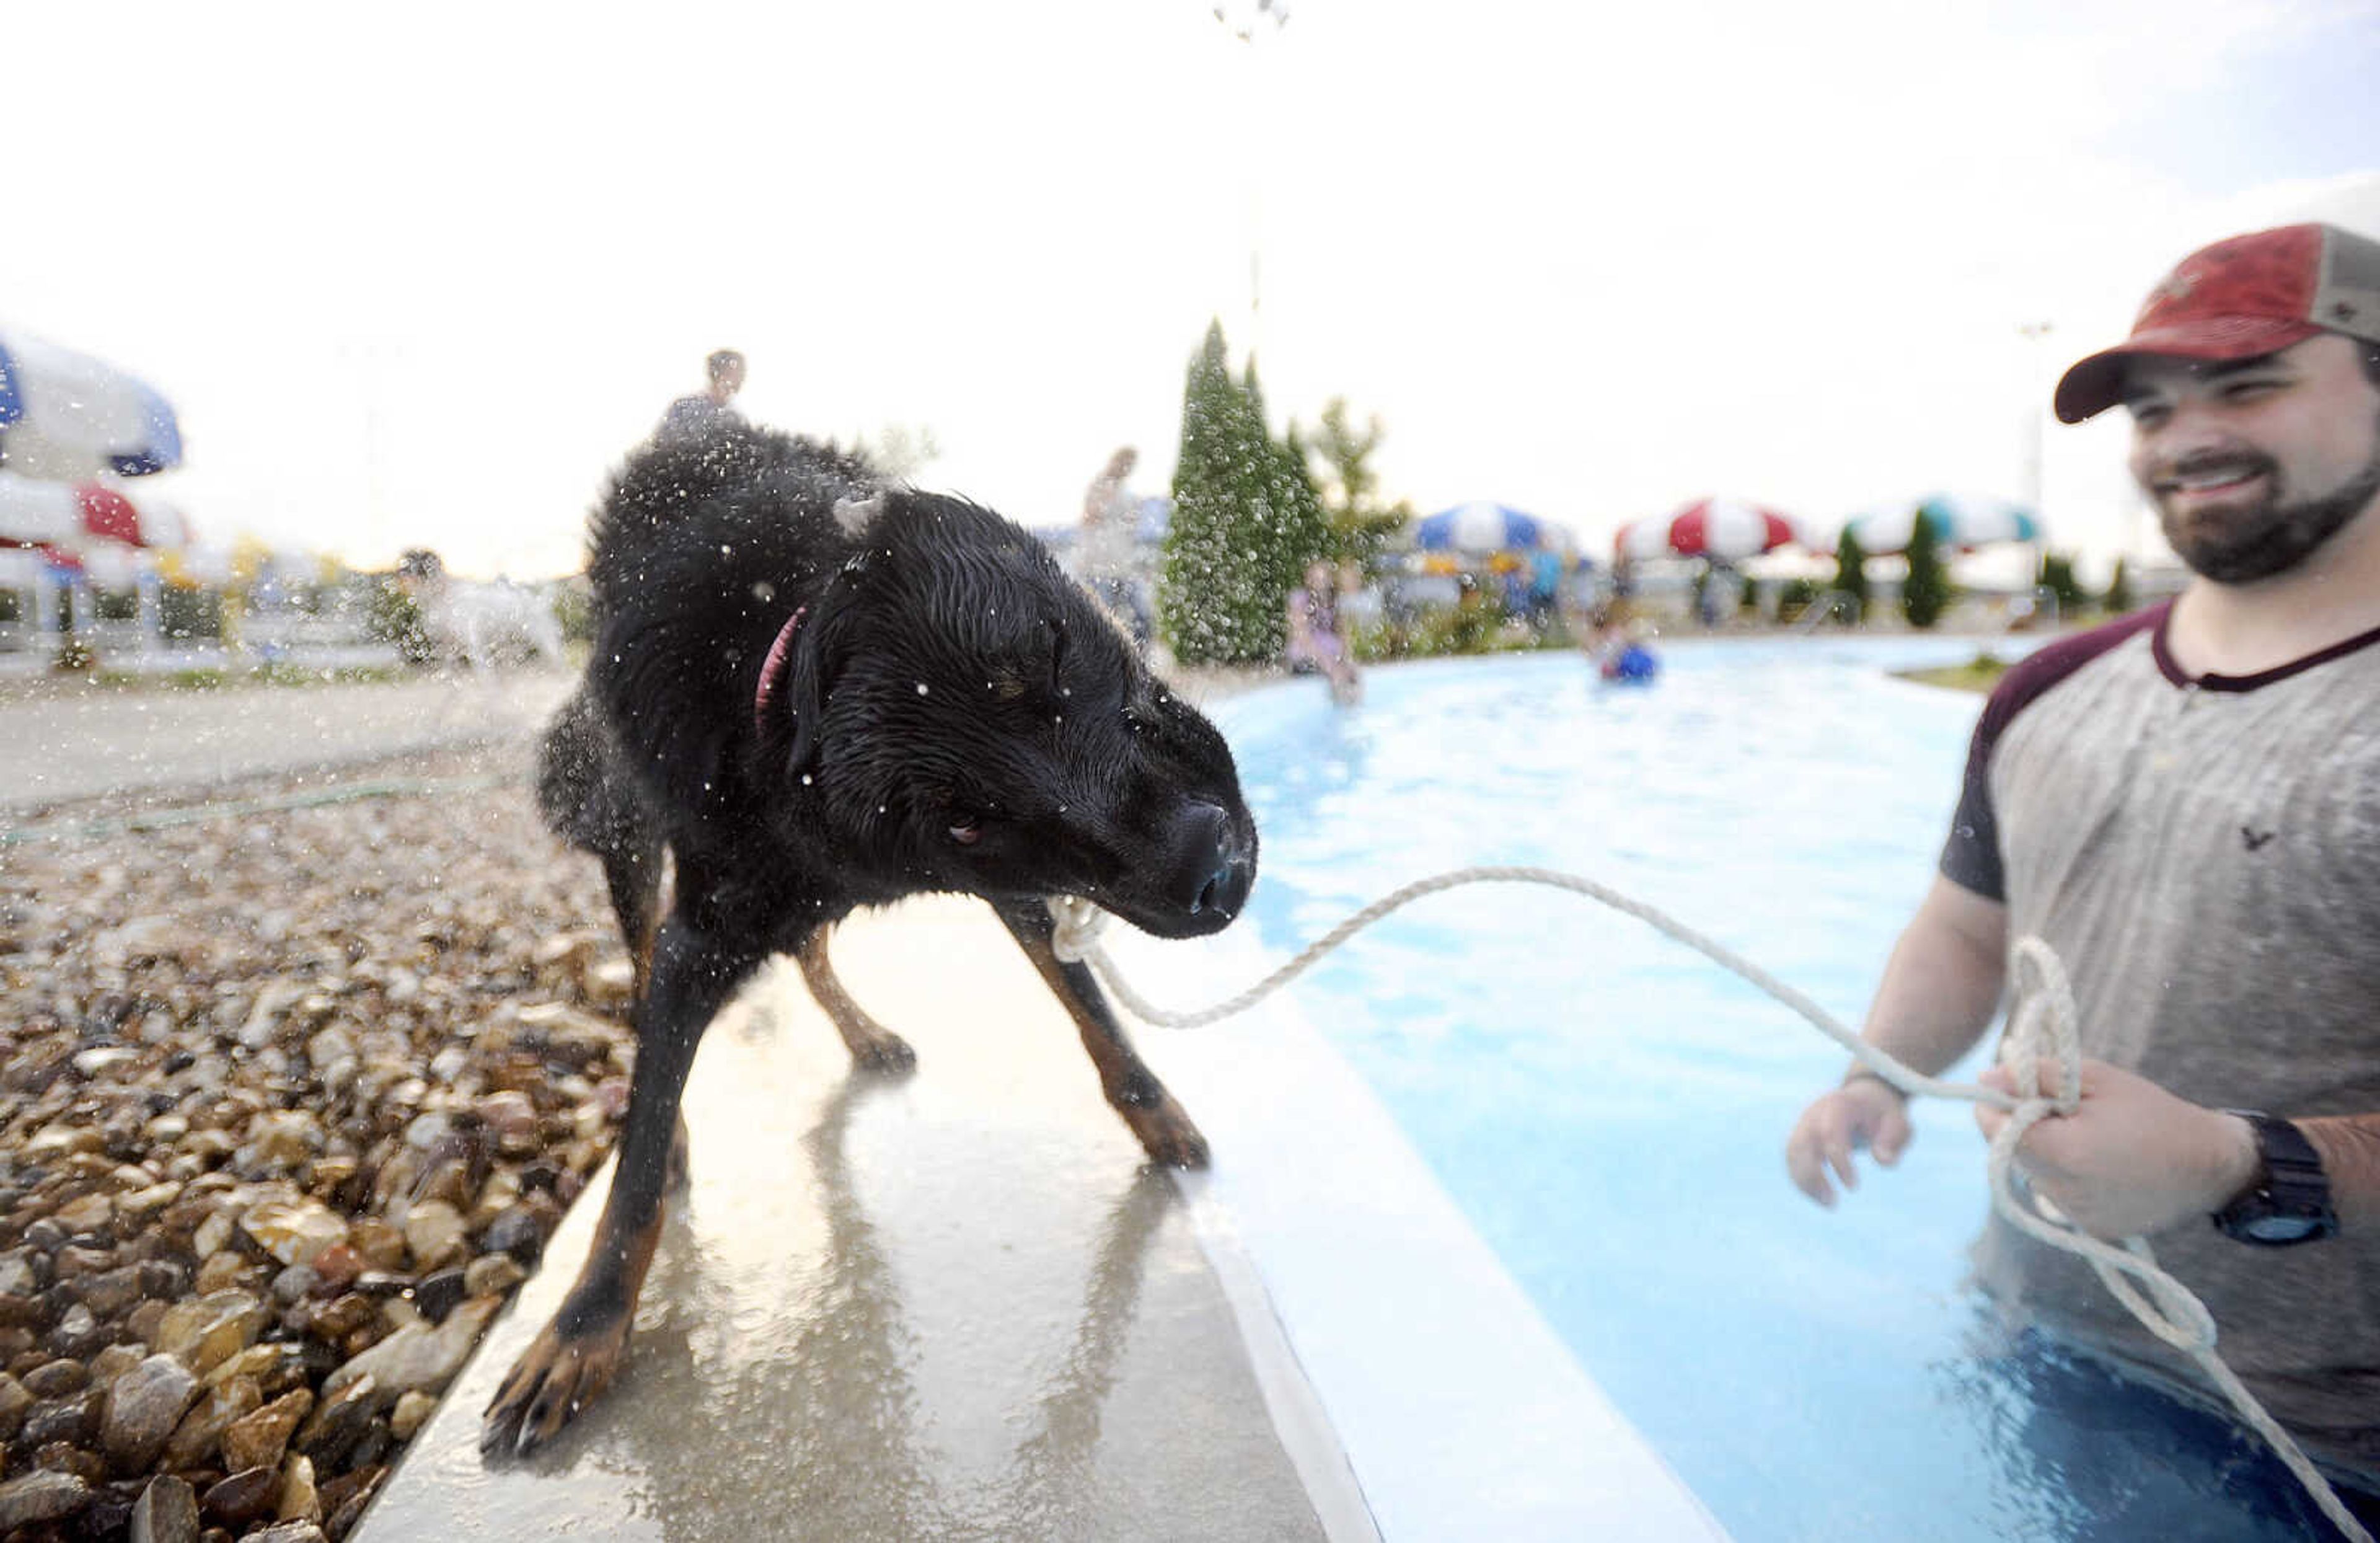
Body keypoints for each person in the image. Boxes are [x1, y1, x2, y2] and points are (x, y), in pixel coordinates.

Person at [1783, 222, 2380, 1508]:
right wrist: (1878, 1072)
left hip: (2333, 1438)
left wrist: (2241, 1161)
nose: (2184, 438)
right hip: (2039, 1338)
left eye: (2250, 383)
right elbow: (1964, 930)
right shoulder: (2051, 688)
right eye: (2154, 409)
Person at [1077, 446, 1150, 647]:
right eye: (1125, 463)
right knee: (1102, 621)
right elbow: (1087, 519)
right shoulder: (1099, 485)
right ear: (1115, 462)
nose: (1127, 469)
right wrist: (1104, 502)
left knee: (1142, 619)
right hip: (1098, 568)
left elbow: (1131, 527)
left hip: (1124, 567)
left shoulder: (1126, 491)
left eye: (1131, 465)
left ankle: (1140, 664)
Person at [1285, 557, 1361, 704]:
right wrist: (1329, 665)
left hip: (1330, 658)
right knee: (1337, 677)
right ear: (1308, 580)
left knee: (1352, 674)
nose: (1320, 583)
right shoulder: (1300, 599)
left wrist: (1345, 660)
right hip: (1307, 659)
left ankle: (1350, 713)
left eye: (1324, 578)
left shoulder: (1333, 602)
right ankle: (1338, 705)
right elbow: (1304, 638)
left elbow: (1343, 634)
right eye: (1316, 578)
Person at [658, 348, 747, 445]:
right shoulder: (685, 409)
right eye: (739, 372)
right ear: (721, 373)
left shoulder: (735, 418)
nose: (743, 378)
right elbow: (665, 445)